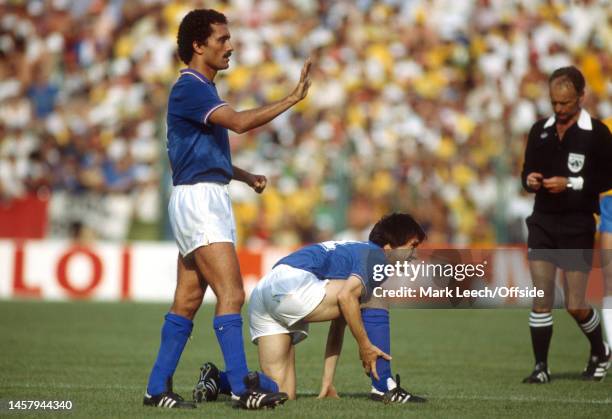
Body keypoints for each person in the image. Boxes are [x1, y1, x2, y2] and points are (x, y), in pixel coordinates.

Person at [143, 9, 311, 409]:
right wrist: (292, 98)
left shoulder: (200, 90)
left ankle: (156, 388)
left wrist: (244, 174)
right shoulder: (192, 87)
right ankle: (240, 387)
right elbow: (237, 124)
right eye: (222, 39)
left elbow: (199, 155)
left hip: (199, 195)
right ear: (198, 46)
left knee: (187, 300)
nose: (230, 46)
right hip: (200, 201)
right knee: (232, 293)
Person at [195, 213, 427, 403]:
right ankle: (384, 385)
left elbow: (341, 320)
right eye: (412, 247)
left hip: (266, 291)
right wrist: (365, 346)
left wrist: (327, 381)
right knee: (375, 296)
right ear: (389, 247)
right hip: (292, 288)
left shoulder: (356, 252)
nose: (414, 255)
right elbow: (346, 298)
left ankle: (220, 379)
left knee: (282, 393)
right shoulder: (376, 258)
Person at [521, 66, 612, 383]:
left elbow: (608, 177)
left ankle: (600, 349)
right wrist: (530, 181)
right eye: (554, 103)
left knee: (575, 304)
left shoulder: (598, 133)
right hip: (543, 221)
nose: (559, 109)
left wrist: (572, 183)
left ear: (581, 97)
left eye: (566, 103)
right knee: (542, 297)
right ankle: (540, 367)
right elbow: (526, 172)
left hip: (577, 223)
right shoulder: (539, 130)